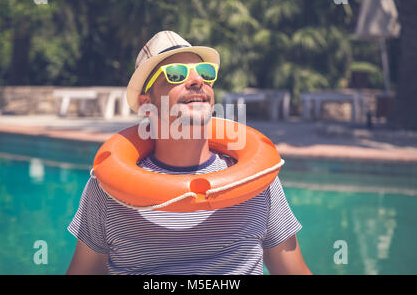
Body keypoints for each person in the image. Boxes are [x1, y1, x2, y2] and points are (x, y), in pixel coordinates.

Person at [66, 31, 312, 275]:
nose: (197, 81)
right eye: (175, 75)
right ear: (146, 104)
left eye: (205, 73)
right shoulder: (109, 189)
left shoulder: (256, 180)